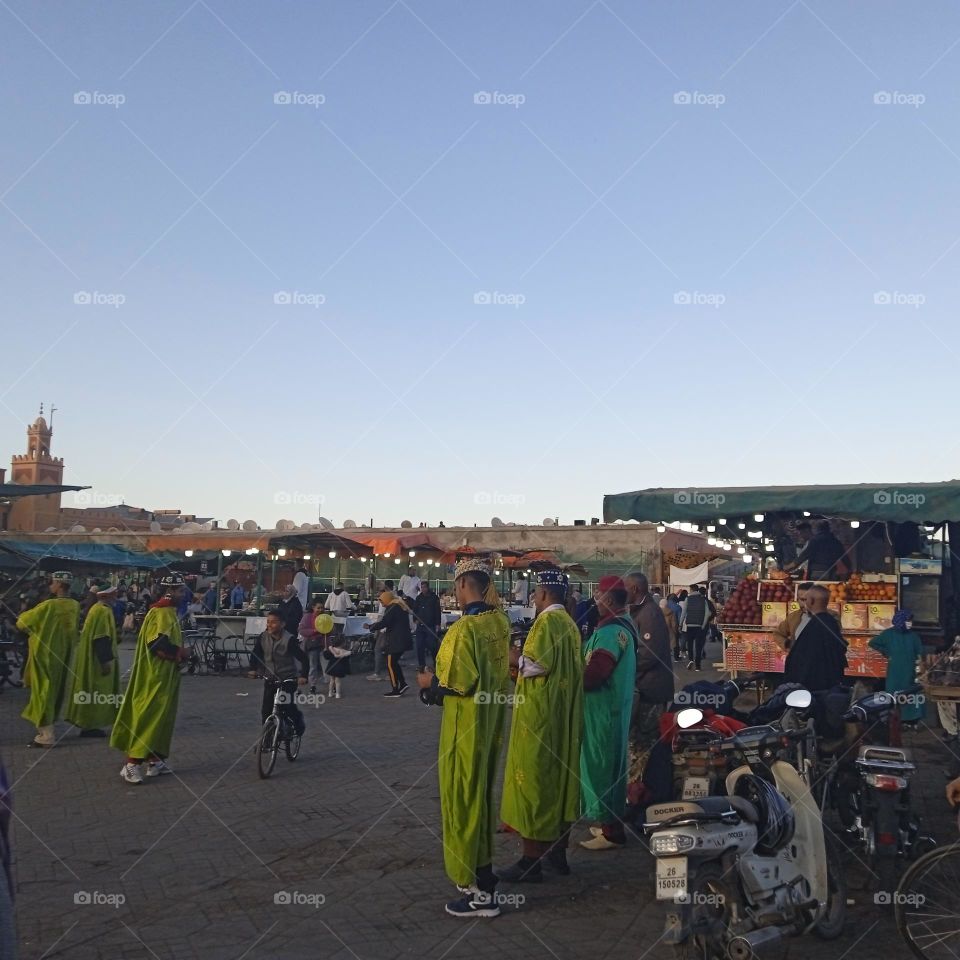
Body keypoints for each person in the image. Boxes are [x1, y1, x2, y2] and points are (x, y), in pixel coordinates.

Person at [416, 558, 511, 918]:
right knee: (481, 798)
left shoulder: (464, 631)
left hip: (464, 729)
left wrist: (429, 686)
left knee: (462, 800)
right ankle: (484, 877)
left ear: (461, 586)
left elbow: (457, 685)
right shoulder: (499, 623)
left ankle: (474, 888)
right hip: (489, 727)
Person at [498, 569, 583, 882]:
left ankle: (531, 861)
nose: (533, 598)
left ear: (544, 594)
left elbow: (536, 664)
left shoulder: (546, 622)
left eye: (535, 593)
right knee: (557, 783)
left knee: (533, 784)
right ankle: (557, 856)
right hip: (563, 717)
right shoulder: (569, 625)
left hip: (539, 718)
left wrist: (511, 656)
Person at [111, 573, 193, 784]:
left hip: (163, 675)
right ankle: (132, 764)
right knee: (150, 716)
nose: (183, 594)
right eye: (180, 590)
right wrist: (182, 652)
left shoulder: (164, 611)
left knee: (162, 718)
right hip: (156, 675)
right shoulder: (164, 612)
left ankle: (155, 761)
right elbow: (157, 644)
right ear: (171, 591)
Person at [579, 575, 638, 850]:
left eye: (599, 597)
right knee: (613, 767)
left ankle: (610, 830)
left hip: (602, 711)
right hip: (616, 709)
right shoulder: (625, 627)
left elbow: (595, 675)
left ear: (610, 600)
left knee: (600, 768)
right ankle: (610, 824)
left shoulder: (609, 633)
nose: (596, 602)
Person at [16, 572, 80, 748]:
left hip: (44, 655)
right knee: (54, 691)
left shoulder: (47, 606)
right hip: (64, 656)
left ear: (59, 584)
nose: (50, 585)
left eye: (52, 582)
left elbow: (22, 623)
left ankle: (46, 735)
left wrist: (25, 607)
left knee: (42, 692)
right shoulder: (74, 605)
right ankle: (48, 729)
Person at [624, 573, 674, 800]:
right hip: (646, 688)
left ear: (634, 589)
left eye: (625, 588)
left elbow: (648, 655)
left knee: (644, 745)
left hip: (651, 691)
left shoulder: (650, 614)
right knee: (640, 744)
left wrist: (624, 670)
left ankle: (640, 795)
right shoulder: (642, 611)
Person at [64, 584, 120, 738]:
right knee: (97, 692)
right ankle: (91, 725)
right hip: (96, 662)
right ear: (105, 596)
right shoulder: (102, 611)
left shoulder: (97, 609)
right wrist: (105, 662)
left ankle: (88, 724)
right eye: (114, 594)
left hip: (92, 659)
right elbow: (101, 638)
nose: (117, 596)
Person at [250, 611, 307, 737]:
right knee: (266, 710)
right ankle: (268, 738)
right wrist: (253, 669)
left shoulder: (289, 639)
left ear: (282, 624)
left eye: (274, 622)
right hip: (270, 678)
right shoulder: (263, 637)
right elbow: (256, 654)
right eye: (268, 622)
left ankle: (298, 723)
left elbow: (303, 658)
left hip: (288, 678)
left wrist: (303, 676)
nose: (270, 625)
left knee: (287, 706)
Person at [783, 584, 847, 690]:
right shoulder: (830, 622)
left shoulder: (818, 625)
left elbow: (809, 658)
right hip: (826, 683)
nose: (804, 603)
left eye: (806, 599)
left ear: (811, 601)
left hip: (813, 685)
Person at [870, 609, 925, 722]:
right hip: (895, 670)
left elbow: (920, 653)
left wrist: (921, 668)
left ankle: (912, 719)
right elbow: (873, 643)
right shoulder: (888, 634)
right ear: (901, 621)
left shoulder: (913, 636)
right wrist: (886, 652)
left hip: (910, 669)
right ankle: (894, 718)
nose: (910, 623)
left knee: (911, 694)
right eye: (908, 621)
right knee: (894, 694)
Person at [366, 592, 413, 697]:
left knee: (390, 664)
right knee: (394, 663)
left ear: (387, 599)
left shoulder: (392, 608)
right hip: (403, 639)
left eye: (382, 601)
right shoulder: (400, 605)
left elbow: (385, 622)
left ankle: (395, 688)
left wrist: (371, 627)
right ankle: (403, 683)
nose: (381, 603)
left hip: (396, 640)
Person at [366, 579, 395, 681]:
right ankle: (389, 673)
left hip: (384, 629)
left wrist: (375, 630)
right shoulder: (393, 597)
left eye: (380, 589)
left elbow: (381, 617)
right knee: (388, 651)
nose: (378, 591)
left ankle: (377, 673)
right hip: (389, 629)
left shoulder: (384, 600)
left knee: (378, 650)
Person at [412, 580, 442, 672]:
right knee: (419, 645)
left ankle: (435, 663)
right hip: (420, 625)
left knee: (432, 645)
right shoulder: (419, 598)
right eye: (422, 587)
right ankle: (422, 665)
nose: (423, 589)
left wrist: (438, 624)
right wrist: (415, 619)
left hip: (430, 625)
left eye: (425, 587)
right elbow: (415, 609)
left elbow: (437, 611)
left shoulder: (434, 597)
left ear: (428, 587)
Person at [775, 582, 813, 650]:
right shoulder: (793, 617)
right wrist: (787, 644)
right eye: (802, 599)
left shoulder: (830, 617)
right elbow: (778, 633)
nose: (805, 604)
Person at [680, 583, 709, 671]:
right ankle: (698, 665)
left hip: (690, 625)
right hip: (699, 625)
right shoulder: (703, 600)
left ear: (691, 590)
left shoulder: (687, 599)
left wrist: (680, 624)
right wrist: (703, 625)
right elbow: (707, 614)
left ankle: (691, 659)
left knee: (690, 644)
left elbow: (683, 613)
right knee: (698, 646)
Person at [299, 601, 324, 692]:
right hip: (312, 644)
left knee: (326, 665)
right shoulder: (307, 617)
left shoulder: (325, 617)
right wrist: (314, 631)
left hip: (323, 644)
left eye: (322, 608)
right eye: (318, 608)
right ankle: (313, 685)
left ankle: (330, 683)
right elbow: (301, 630)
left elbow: (331, 629)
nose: (320, 610)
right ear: (313, 607)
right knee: (313, 665)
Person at [323, 633, 352, 699]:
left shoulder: (331, 649)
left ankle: (330, 693)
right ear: (343, 643)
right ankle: (338, 694)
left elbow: (326, 657)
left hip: (331, 667)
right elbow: (346, 659)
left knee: (331, 681)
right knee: (338, 682)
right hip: (339, 669)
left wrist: (325, 651)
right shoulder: (344, 651)